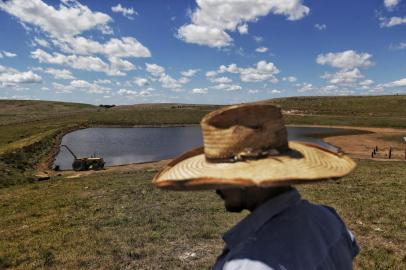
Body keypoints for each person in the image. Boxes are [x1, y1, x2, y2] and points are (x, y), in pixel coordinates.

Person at [153, 103, 359, 269]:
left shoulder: (245, 262)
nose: (215, 187)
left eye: (222, 178)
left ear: (246, 181)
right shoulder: (328, 218)